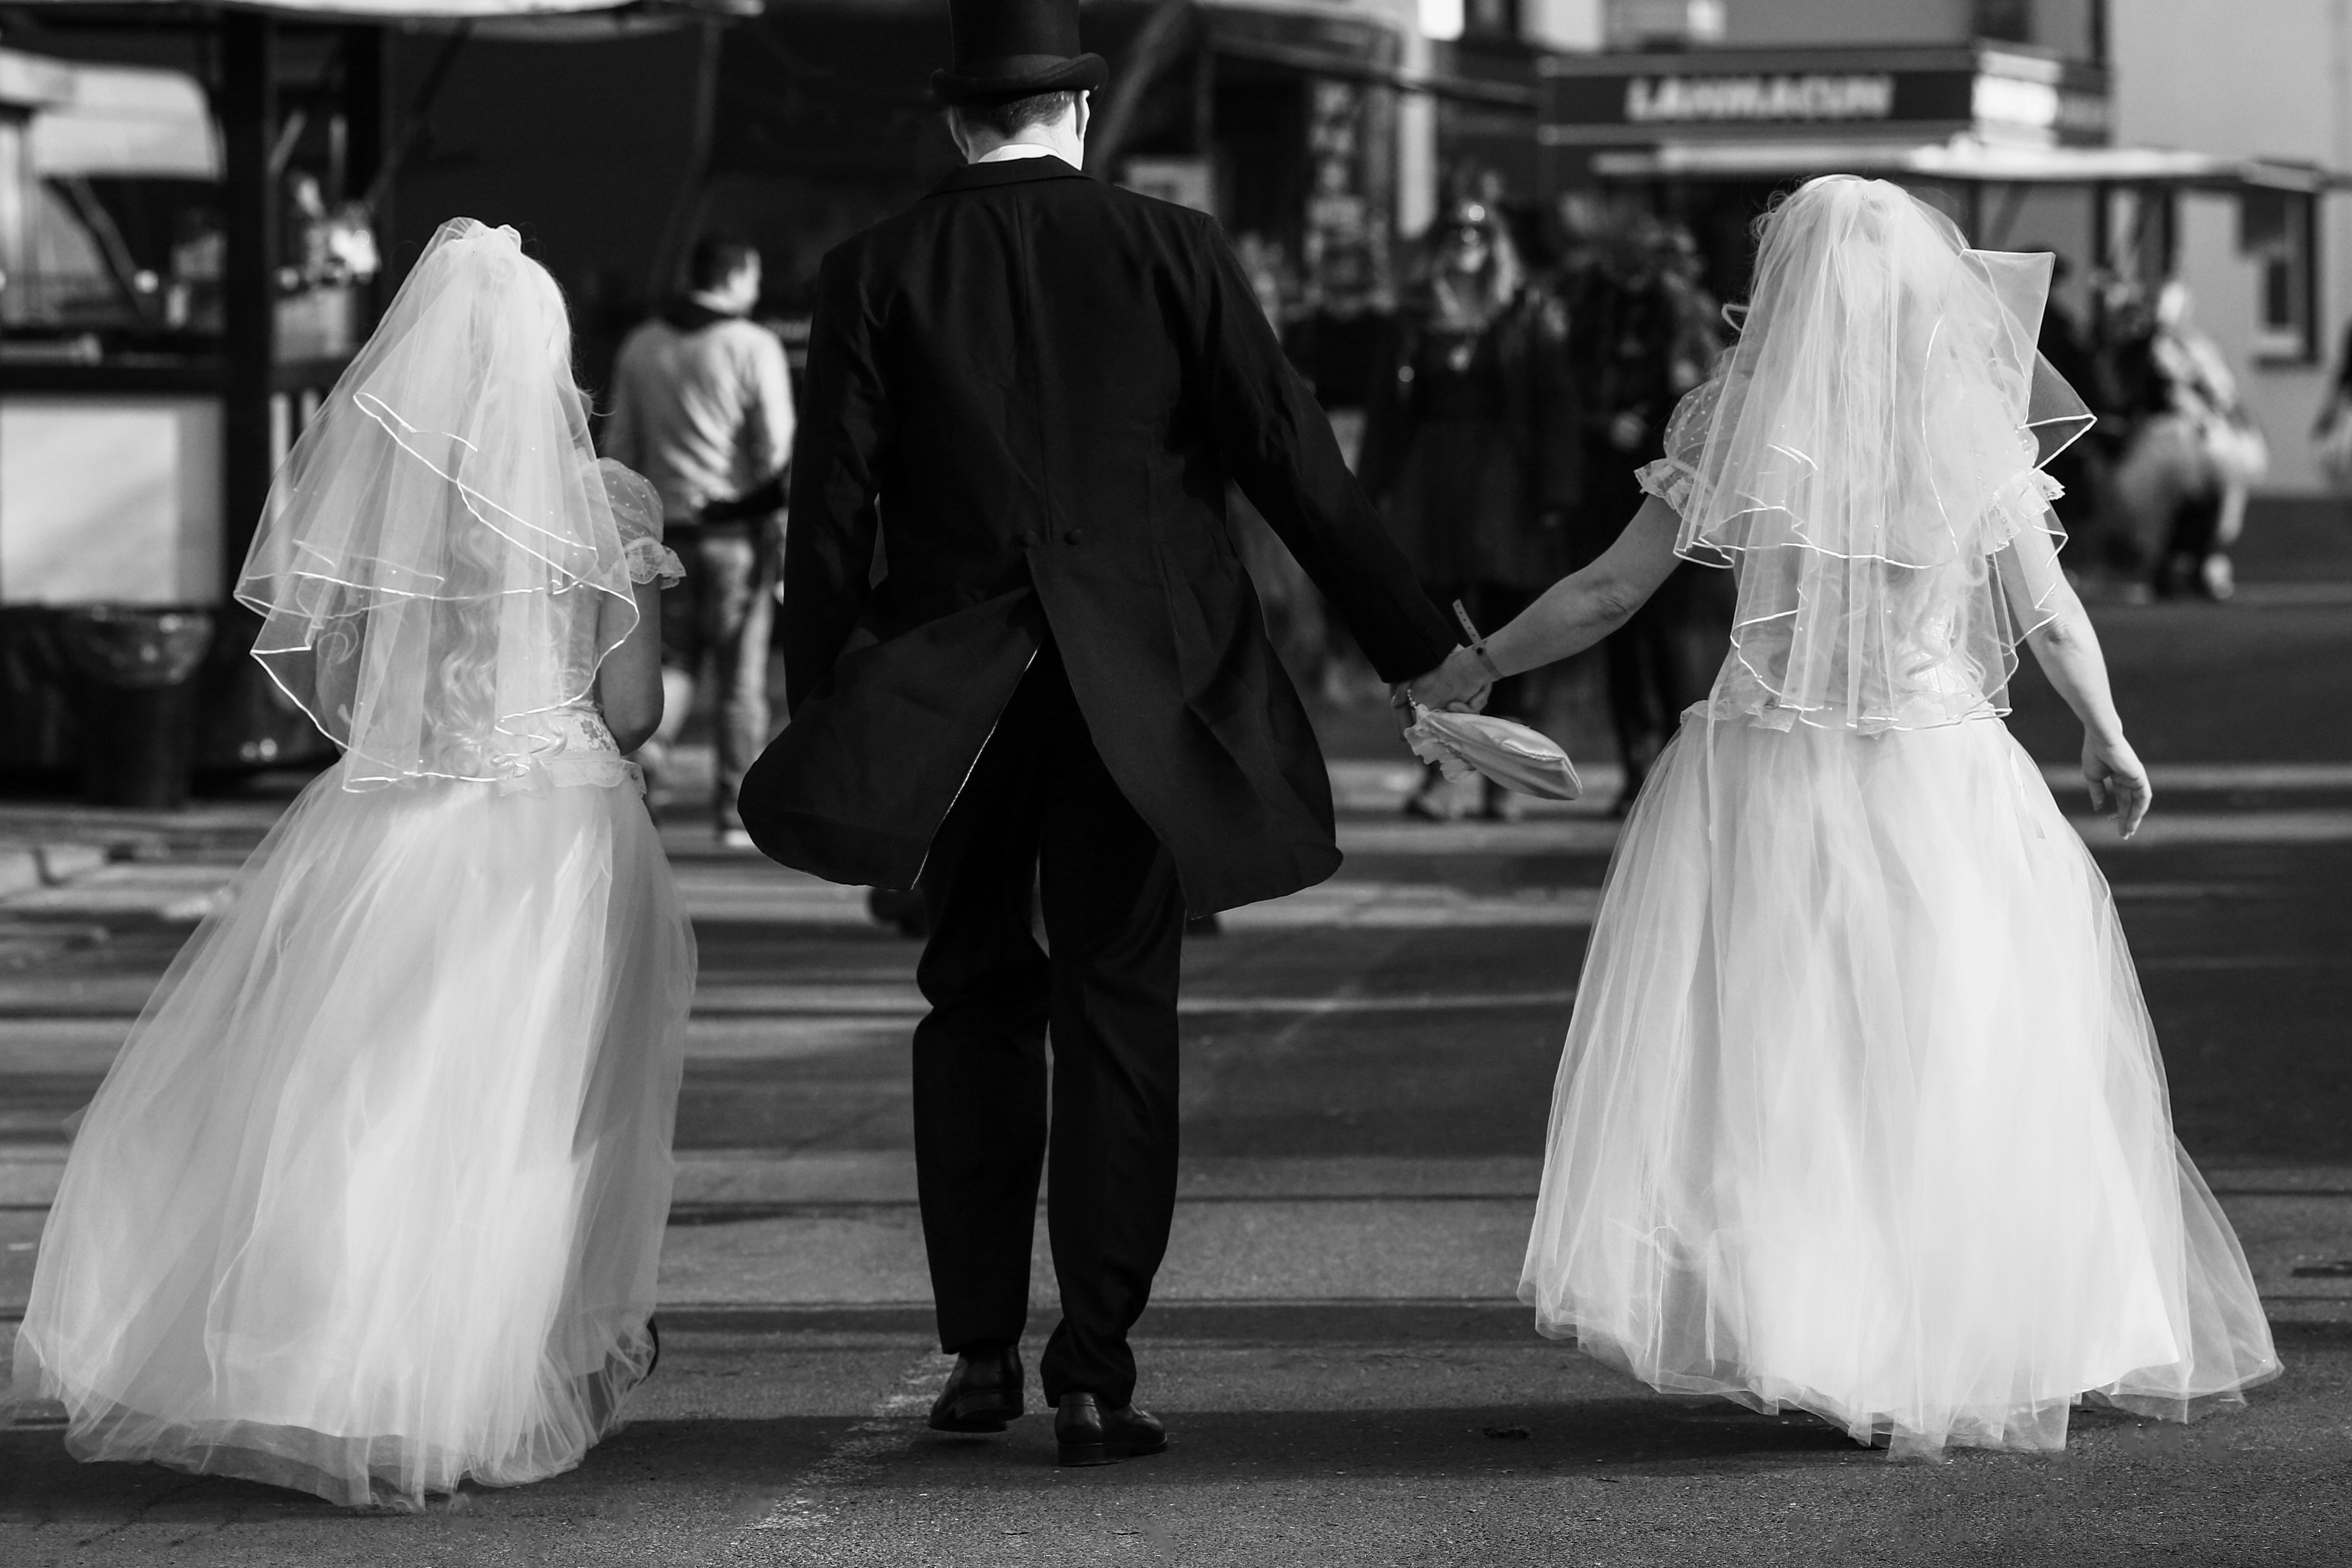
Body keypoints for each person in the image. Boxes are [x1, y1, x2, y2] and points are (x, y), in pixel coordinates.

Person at [1414, 177, 2279, 1458]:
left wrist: (1477, 665)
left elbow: (1607, 594)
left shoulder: (1737, 424)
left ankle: (1828, 1337)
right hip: (1940, 769)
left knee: (1789, 1063)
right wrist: (2106, 731)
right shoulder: (1966, 426)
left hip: (1770, 772)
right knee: (1956, 1052)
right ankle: (1969, 1332)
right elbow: (2047, 610)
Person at [737, 0, 1464, 1468]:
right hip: (1146, 699)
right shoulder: (1173, 248)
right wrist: (1423, 650)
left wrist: (841, 720)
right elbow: (1291, 463)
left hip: (956, 702)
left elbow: (830, 526)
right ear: (1079, 113)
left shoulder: (872, 270)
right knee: (1119, 1015)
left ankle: (978, 1352)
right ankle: (1097, 1368)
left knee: (973, 1000)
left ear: (958, 122)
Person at [10, 221, 697, 1508]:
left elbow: (342, 685)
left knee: (367, 1101)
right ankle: (499, 1374)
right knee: (532, 1111)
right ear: (555, 354)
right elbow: (640, 706)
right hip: (552, 827)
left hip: (389, 824)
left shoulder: (388, 506)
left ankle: (347, 1373)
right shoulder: (604, 505)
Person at [1359, 197, 1578, 819]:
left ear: (1496, 241)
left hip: (1505, 487)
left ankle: (1504, 778)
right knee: (1433, 634)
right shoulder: (1414, 314)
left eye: (1479, 231)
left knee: (1507, 629)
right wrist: (1367, 493)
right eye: (1455, 230)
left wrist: (1557, 493)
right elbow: (1385, 414)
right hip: (1431, 487)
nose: (1466, 240)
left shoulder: (1527, 311)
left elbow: (1556, 403)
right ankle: (1440, 775)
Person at [605, 232, 796, 846]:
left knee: (675, 661)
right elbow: (779, 449)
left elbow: (622, 450)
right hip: (737, 534)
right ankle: (735, 811)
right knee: (741, 674)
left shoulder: (643, 346)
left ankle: (654, 750)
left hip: (666, 536)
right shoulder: (752, 345)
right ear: (737, 275)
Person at [1560, 211, 1709, 811]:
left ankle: (1675, 763)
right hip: (1609, 484)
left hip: (1672, 489)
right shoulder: (1591, 309)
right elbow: (1568, 390)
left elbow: (1705, 400)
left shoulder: (1686, 313)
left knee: (1671, 635)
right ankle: (1633, 764)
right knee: (1620, 637)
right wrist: (1602, 424)